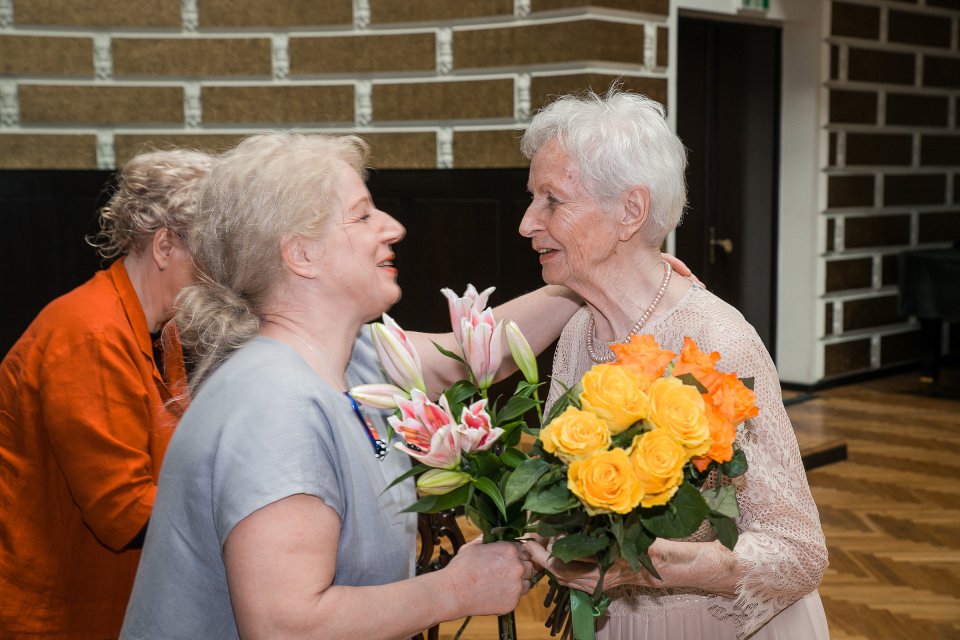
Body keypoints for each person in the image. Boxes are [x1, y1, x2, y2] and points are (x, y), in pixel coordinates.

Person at [120, 133, 595, 639]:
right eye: (363, 215)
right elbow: (286, 628)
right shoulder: (274, 407)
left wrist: (584, 279)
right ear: (301, 254)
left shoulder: (351, 356)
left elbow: (477, 352)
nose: (394, 227)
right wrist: (455, 590)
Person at [520, 90, 829, 639]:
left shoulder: (714, 341)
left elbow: (798, 552)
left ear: (630, 212)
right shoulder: (577, 333)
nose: (526, 223)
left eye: (551, 200)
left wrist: (650, 563)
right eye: (531, 199)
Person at [0, 149, 213, 638]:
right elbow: (126, 512)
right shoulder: (88, 332)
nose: (224, 273)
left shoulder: (164, 330)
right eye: (214, 252)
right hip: (57, 616)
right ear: (164, 245)